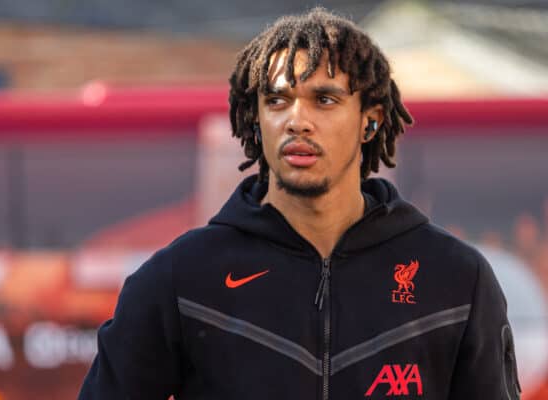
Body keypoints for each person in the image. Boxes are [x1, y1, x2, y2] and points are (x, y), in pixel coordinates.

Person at [78, 7, 520, 399]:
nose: (297, 120)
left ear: (371, 120)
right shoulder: (179, 279)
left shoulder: (457, 280)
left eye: (324, 100)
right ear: (257, 120)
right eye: (277, 100)